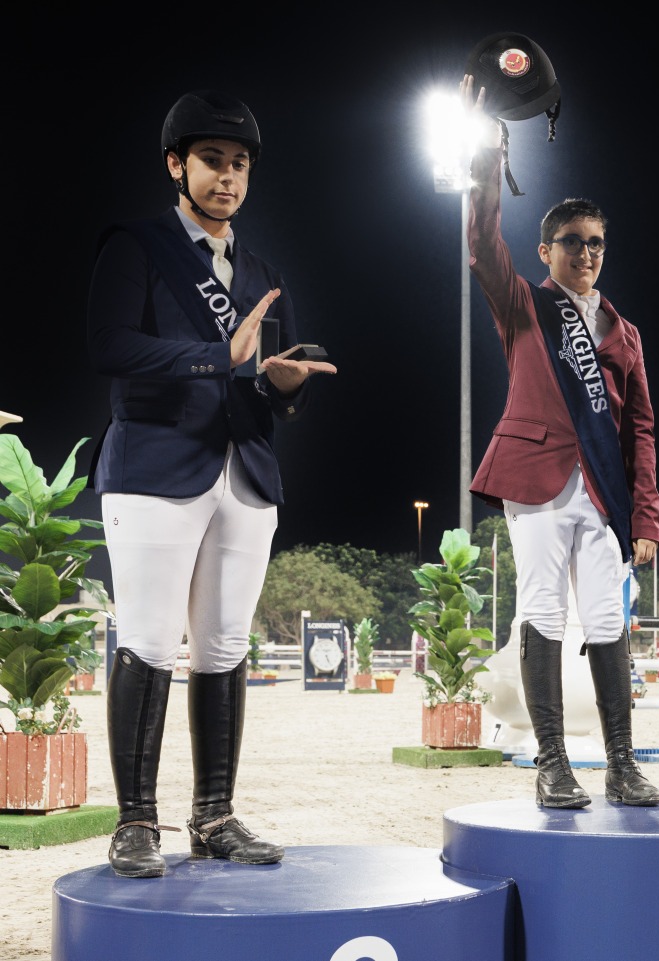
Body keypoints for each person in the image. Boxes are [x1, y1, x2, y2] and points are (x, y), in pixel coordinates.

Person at [87, 90, 336, 877]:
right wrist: (211, 357)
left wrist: (286, 385)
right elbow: (109, 344)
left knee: (225, 647)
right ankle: (135, 823)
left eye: (239, 166)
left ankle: (215, 816)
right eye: (212, 162)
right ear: (177, 165)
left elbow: (270, 380)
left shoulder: (263, 272)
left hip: (246, 473)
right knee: (151, 641)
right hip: (156, 468)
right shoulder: (137, 244)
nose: (227, 178)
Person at [460, 72, 659, 809]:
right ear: (545, 251)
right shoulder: (523, 306)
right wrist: (488, 154)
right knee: (540, 610)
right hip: (537, 483)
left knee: (608, 620)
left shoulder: (625, 331)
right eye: (572, 242)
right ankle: (552, 763)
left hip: (604, 494)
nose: (586, 253)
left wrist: (646, 517)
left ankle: (623, 764)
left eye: (597, 244)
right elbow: (482, 245)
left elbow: (639, 427)